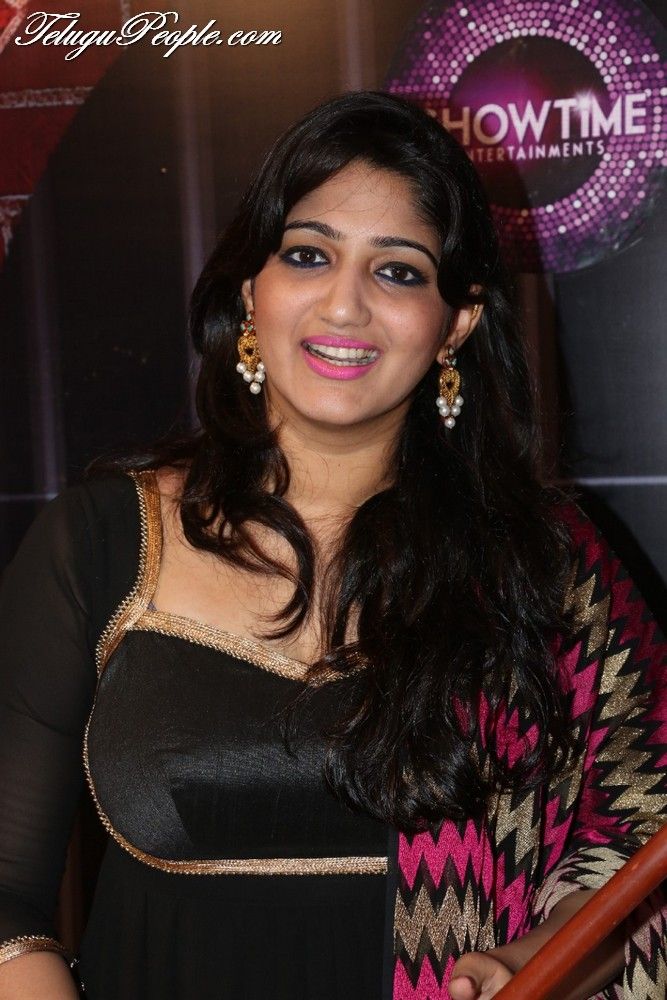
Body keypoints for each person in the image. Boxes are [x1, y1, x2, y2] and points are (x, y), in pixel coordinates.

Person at [0, 90, 665, 1000]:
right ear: (251, 291)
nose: (345, 305)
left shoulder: (539, 564)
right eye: (308, 255)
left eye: (397, 271)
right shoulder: (100, 541)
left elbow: (645, 830)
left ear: (456, 323)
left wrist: (530, 965)